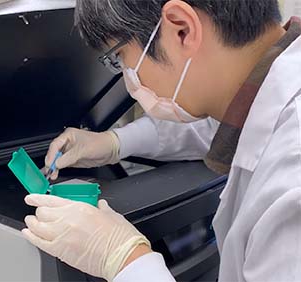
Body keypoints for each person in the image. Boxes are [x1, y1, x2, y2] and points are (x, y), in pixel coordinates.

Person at [22, 0, 301, 281]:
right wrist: (114, 142)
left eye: (119, 56)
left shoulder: (291, 179)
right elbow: (216, 127)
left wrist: (126, 261)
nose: (129, 81)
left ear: (182, 29)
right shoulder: (270, 90)